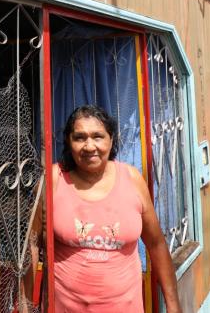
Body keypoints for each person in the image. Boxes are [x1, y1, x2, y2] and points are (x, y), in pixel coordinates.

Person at [27, 105, 182, 312]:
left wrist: (173, 304)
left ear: (111, 140)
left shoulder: (132, 179)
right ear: (68, 141)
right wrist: (25, 304)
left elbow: (156, 244)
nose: (89, 146)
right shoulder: (53, 180)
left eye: (98, 136)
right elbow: (31, 245)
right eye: (79, 137)